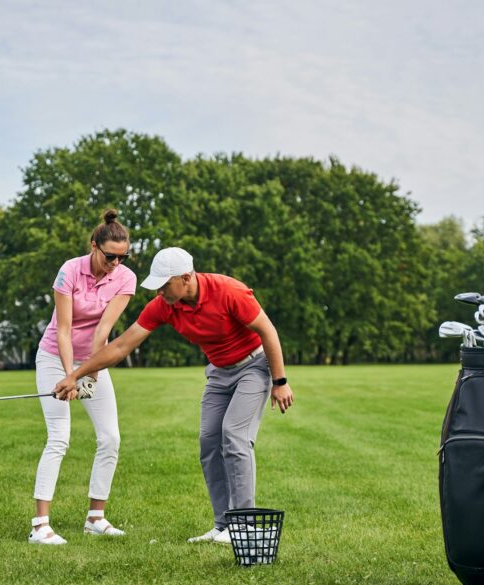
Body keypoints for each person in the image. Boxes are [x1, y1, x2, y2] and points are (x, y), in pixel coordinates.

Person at [54, 247, 294, 544]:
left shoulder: (229, 291)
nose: (160, 291)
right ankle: (223, 525)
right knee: (209, 441)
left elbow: (268, 331)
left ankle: (244, 525)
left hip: (254, 367)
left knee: (234, 435)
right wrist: (75, 375)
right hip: (219, 372)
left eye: (165, 284)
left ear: (186, 278)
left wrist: (280, 381)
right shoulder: (165, 305)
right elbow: (120, 347)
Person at [28, 209, 137, 545]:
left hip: (91, 360)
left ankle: (95, 518)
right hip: (53, 357)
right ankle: (39, 526)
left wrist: (86, 372)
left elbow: (102, 331)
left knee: (110, 438)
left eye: (123, 257)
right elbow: (63, 330)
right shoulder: (69, 271)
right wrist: (67, 375)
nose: (115, 264)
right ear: (94, 246)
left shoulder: (125, 279)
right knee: (59, 437)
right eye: (109, 256)